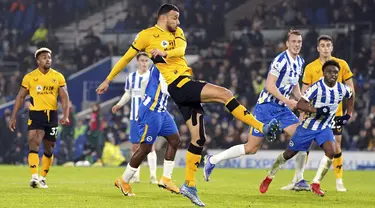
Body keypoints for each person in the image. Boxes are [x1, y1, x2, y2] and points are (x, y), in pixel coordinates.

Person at [95, 4, 280, 207]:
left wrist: (165, 53)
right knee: (224, 94)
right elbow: (126, 58)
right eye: (175, 18)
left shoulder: (178, 33)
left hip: (183, 87)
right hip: (179, 85)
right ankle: (261, 126)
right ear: (164, 17)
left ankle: (189, 185)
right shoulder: (146, 36)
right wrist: (107, 80)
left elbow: (181, 49)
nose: (179, 21)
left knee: (198, 138)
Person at [203, 30, 309, 190]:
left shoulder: (300, 61)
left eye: (299, 42)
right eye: (293, 41)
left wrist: (300, 100)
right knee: (251, 148)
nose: (296, 44)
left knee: (302, 137)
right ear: (287, 44)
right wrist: (287, 100)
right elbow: (269, 85)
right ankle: (212, 160)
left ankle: (299, 180)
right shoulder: (280, 60)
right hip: (265, 108)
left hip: (282, 109)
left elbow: (294, 84)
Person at [259, 60, 354, 197]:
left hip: (325, 127)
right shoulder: (317, 87)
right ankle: (269, 177)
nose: (332, 75)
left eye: (335, 72)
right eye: (329, 72)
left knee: (331, 151)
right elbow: (300, 104)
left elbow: (351, 95)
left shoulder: (342, 88)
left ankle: (316, 183)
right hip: (308, 127)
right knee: (289, 154)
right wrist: (317, 110)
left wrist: (348, 114)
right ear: (324, 73)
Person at [284, 35, 355, 192]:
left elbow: (351, 89)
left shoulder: (341, 65)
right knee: (304, 144)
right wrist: (302, 112)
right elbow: (304, 92)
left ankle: (339, 180)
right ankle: (298, 179)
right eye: (322, 45)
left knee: (336, 145)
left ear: (332, 47)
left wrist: (349, 112)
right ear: (318, 48)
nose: (325, 48)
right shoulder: (310, 68)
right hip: (313, 114)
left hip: (335, 114)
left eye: (328, 45)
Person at [114, 63, 181, 196]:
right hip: (151, 111)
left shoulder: (166, 62)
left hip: (161, 110)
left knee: (175, 140)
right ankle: (124, 180)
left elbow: (145, 81)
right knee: (145, 148)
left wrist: (145, 98)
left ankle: (166, 179)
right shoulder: (163, 63)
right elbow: (166, 89)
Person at [8, 47, 70, 188]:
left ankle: (43, 178)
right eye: (44, 57)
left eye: (49, 57)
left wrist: (66, 115)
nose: (47, 59)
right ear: (38, 60)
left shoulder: (58, 76)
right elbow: (20, 97)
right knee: (33, 140)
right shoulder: (30, 77)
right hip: (36, 114)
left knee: (48, 149)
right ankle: (34, 177)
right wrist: (13, 116)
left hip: (52, 115)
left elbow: (64, 97)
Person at [112, 52, 158, 184]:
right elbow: (128, 93)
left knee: (150, 146)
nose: (144, 63)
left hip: (149, 116)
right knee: (135, 147)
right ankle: (136, 176)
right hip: (135, 117)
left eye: (146, 61)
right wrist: (119, 104)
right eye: (142, 60)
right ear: (137, 62)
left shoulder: (152, 77)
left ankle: (153, 176)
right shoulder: (131, 77)